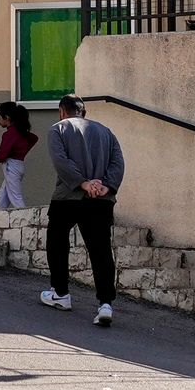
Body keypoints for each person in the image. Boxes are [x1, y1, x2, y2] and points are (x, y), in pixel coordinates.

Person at [36, 95, 128, 330]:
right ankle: (105, 304)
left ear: (61, 111)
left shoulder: (58, 129)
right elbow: (118, 162)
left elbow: (60, 161)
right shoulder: (106, 132)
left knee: (57, 241)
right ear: (83, 112)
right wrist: (105, 185)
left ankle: (60, 293)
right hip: (101, 200)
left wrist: (83, 184)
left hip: (68, 196)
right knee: (100, 250)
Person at [0, 99, 37, 213]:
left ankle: (27, 220)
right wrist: (21, 151)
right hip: (19, 165)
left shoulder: (9, 134)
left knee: (16, 198)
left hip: (10, 166)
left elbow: (3, 154)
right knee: (2, 196)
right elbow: (34, 138)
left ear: (7, 118)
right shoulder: (22, 133)